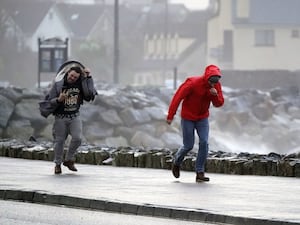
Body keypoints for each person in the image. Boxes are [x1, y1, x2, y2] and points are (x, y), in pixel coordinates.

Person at [166, 64, 224, 182]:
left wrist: (215, 95)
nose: (213, 84)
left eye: (216, 81)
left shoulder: (216, 86)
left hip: (202, 118)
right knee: (188, 145)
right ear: (207, 78)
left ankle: (200, 172)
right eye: (212, 81)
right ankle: (177, 162)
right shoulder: (192, 83)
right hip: (188, 117)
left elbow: (218, 104)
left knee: (204, 142)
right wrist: (170, 115)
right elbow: (177, 98)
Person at [45, 63, 97, 174]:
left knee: (77, 138)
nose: (72, 78)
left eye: (75, 77)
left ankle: (68, 160)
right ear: (68, 72)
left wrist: (88, 78)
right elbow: (49, 102)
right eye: (71, 75)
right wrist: (59, 99)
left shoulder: (81, 83)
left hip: (74, 116)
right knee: (59, 141)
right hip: (60, 117)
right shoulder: (58, 84)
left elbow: (89, 95)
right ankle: (57, 164)